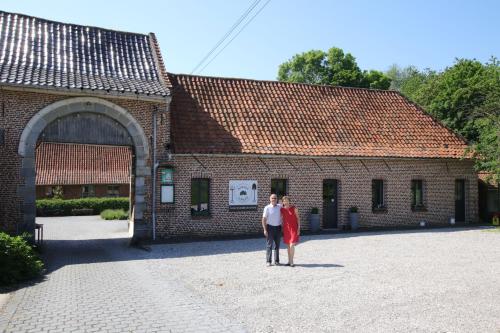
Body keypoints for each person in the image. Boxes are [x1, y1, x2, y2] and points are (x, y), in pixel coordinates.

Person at [262, 194, 282, 266]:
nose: (274, 199)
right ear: (270, 199)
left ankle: (277, 261)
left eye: (275, 198)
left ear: (277, 199)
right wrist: (265, 229)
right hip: (270, 228)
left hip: (278, 228)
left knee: (277, 245)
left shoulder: (280, 206)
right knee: (269, 245)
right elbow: (264, 219)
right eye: (272, 198)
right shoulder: (267, 208)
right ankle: (268, 261)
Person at [280, 196, 300, 267]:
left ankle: (291, 261)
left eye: (287, 200)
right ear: (283, 202)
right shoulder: (282, 209)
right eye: (284, 201)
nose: (286, 202)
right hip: (286, 229)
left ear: (289, 201)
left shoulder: (294, 208)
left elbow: (298, 218)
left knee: (292, 245)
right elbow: (280, 218)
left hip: (294, 229)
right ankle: (289, 261)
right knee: (288, 246)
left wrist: (299, 228)